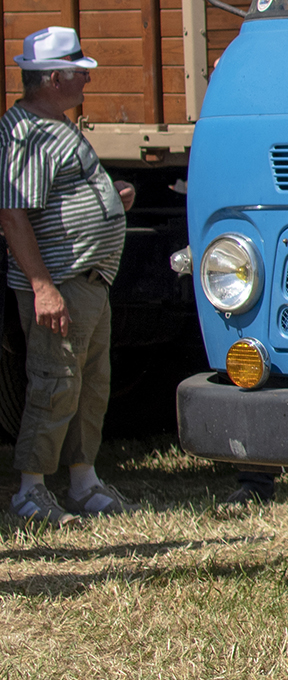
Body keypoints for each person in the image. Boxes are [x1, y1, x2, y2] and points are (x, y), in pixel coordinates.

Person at [2, 26, 137, 524]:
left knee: (89, 384)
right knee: (54, 382)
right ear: (55, 77)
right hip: (60, 283)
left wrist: (111, 199)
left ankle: (84, 482)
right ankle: (29, 492)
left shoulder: (53, 126)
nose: (86, 81)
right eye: (79, 74)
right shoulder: (29, 132)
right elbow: (12, 214)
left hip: (85, 280)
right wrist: (43, 288)